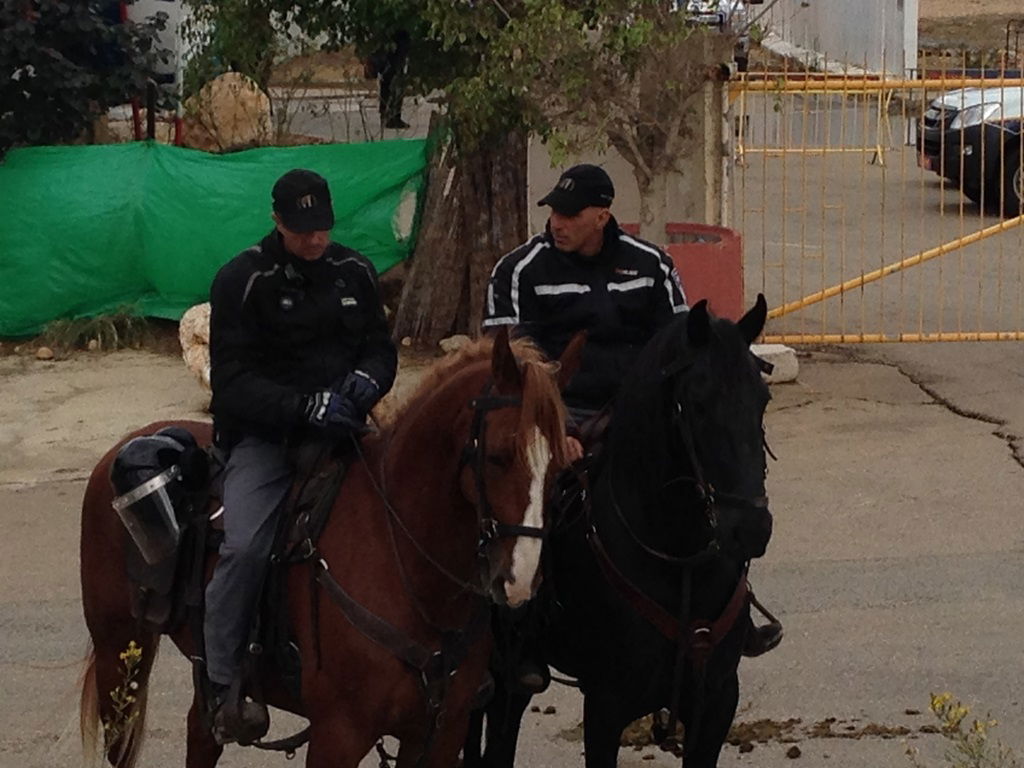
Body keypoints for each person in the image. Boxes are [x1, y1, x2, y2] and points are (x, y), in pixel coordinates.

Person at [483, 164, 781, 691]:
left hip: (635, 414)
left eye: (570, 213)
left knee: (705, 483)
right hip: (554, 415)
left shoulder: (651, 266)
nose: (557, 222)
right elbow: (508, 363)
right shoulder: (519, 270)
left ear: (603, 214)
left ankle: (734, 613)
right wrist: (555, 432)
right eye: (553, 211)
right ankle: (523, 632)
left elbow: (679, 346)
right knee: (537, 506)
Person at [205, 168, 397, 743]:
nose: (315, 240)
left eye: (322, 228)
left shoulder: (355, 271)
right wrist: (303, 407)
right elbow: (230, 383)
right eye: (301, 229)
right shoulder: (242, 279)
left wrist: (367, 382)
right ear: (276, 221)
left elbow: (380, 349)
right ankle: (221, 681)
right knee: (241, 548)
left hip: (343, 433)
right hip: (267, 440)